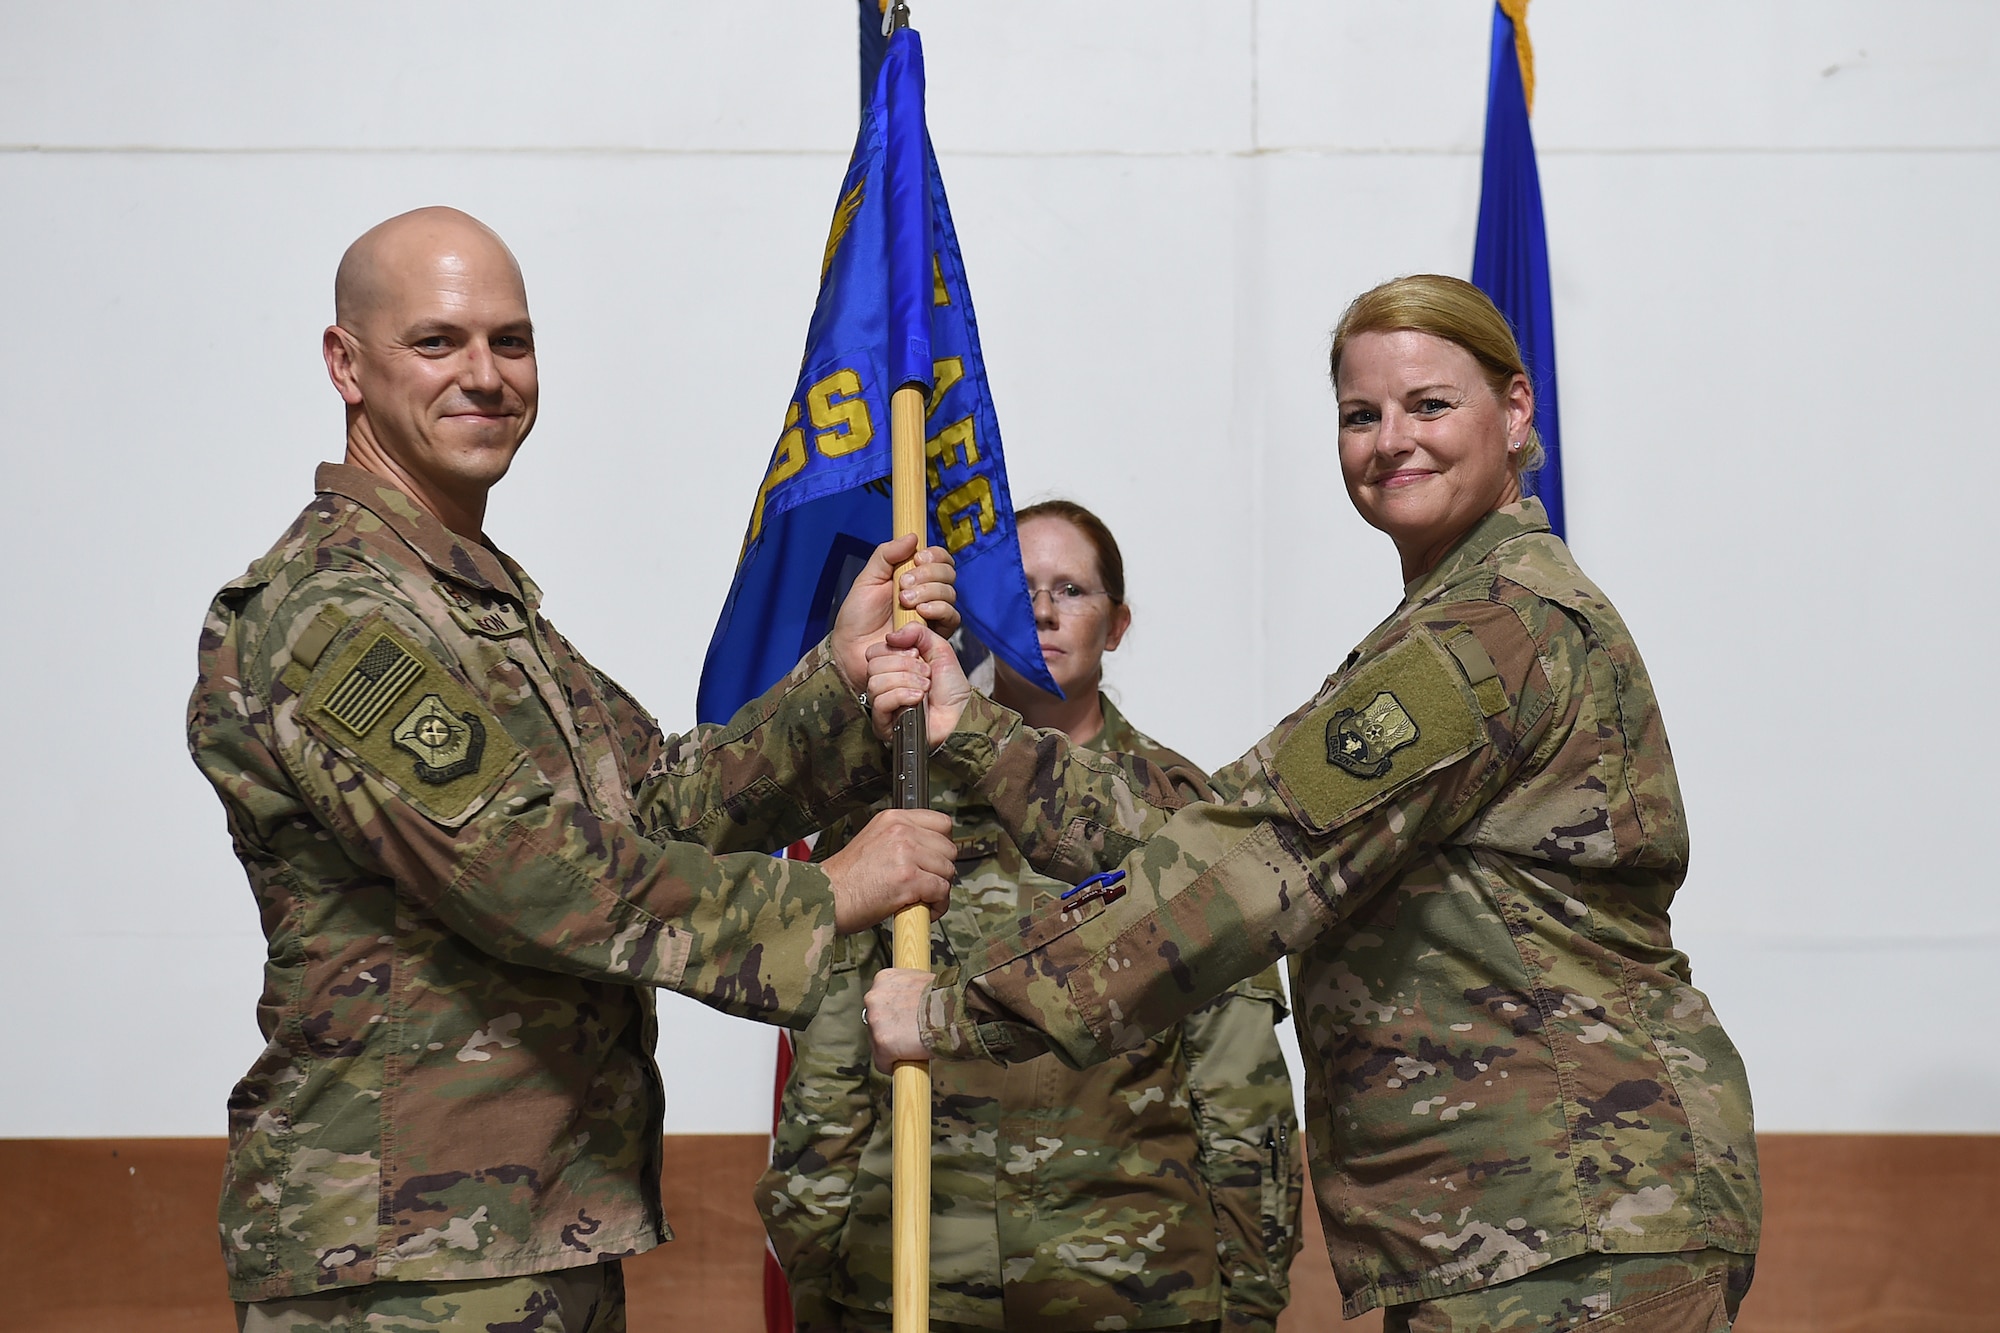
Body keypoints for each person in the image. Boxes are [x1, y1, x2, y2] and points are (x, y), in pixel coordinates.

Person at [863, 276, 1762, 1331]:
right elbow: (1206, 839)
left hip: (1569, 1219)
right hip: (1512, 1223)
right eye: (1359, 414)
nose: (1390, 440)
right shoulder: (1453, 618)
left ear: (1514, 411)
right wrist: (972, 732)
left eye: (1428, 404)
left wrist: (954, 1009)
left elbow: (1254, 865)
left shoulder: (1487, 632)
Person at [187, 206, 960, 1333]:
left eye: (512, 341)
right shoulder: (333, 612)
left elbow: (655, 805)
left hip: (531, 1224)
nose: (486, 375)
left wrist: (834, 683)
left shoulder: (477, 602)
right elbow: (529, 872)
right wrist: (833, 891)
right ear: (345, 364)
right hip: (400, 1260)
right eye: (439, 341)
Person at [758, 501, 1301, 1333]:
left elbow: (1238, 1080)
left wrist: (1251, 1295)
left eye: (1072, 590)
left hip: (1128, 1284)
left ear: (1116, 625)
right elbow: (829, 1065)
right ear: (977, 614)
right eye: (1019, 587)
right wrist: (816, 1267)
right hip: (911, 1277)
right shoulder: (896, 802)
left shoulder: (1180, 814)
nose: (1043, 610)